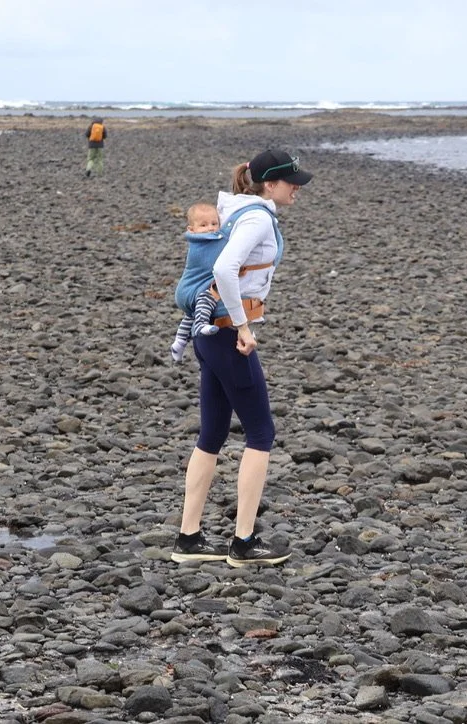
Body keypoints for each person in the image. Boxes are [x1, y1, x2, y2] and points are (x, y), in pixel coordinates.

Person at [170, 149, 312, 567]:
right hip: (228, 334)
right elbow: (226, 270)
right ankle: (244, 543)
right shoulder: (256, 217)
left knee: (212, 434)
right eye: (292, 182)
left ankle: (189, 539)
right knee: (261, 432)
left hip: (207, 334)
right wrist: (244, 327)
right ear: (270, 185)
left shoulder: (232, 209)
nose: (298, 188)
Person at [170, 203, 223, 363]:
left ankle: (179, 342)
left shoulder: (199, 240)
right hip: (193, 291)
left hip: (185, 290)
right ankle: (200, 325)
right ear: (191, 229)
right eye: (204, 225)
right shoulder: (203, 243)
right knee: (207, 299)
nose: (210, 229)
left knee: (191, 314)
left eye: (215, 224)